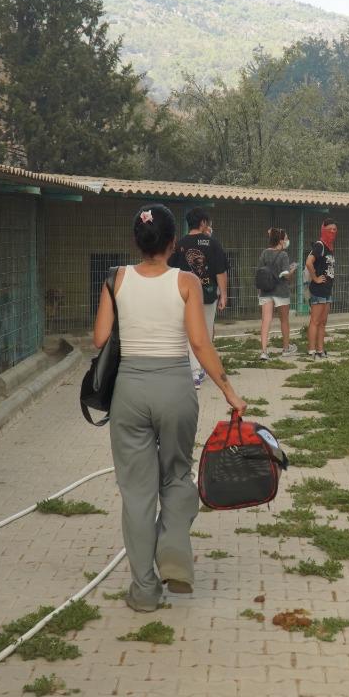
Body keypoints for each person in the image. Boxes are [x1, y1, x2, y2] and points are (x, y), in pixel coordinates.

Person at [94, 205, 246, 612]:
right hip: (175, 388)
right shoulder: (187, 282)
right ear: (173, 243)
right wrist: (229, 391)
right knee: (177, 475)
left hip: (129, 391)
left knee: (137, 492)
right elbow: (199, 343)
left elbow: (99, 338)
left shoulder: (116, 279)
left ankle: (144, 591)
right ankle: (175, 545)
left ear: (136, 242)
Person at [168, 208, 231, 388]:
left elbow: (170, 270)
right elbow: (220, 271)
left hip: (184, 297)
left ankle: (195, 370)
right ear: (203, 223)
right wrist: (223, 295)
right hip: (208, 295)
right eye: (207, 222)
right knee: (206, 332)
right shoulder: (213, 244)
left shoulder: (180, 244)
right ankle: (198, 370)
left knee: (188, 333)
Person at [256, 227, 296, 360]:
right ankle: (285, 349)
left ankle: (264, 351)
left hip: (265, 291)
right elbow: (286, 276)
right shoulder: (283, 255)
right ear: (280, 240)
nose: (287, 241)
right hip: (281, 292)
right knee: (284, 320)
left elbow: (260, 272)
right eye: (285, 239)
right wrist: (292, 270)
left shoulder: (264, 253)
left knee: (265, 321)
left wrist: (259, 291)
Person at [305, 218, 337, 359]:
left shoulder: (330, 247)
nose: (333, 232)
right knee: (315, 320)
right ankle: (311, 350)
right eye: (330, 230)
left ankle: (320, 349)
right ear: (323, 230)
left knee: (323, 322)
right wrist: (315, 278)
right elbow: (309, 263)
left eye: (335, 230)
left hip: (327, 289)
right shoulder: (320, 245)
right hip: (318, 289)